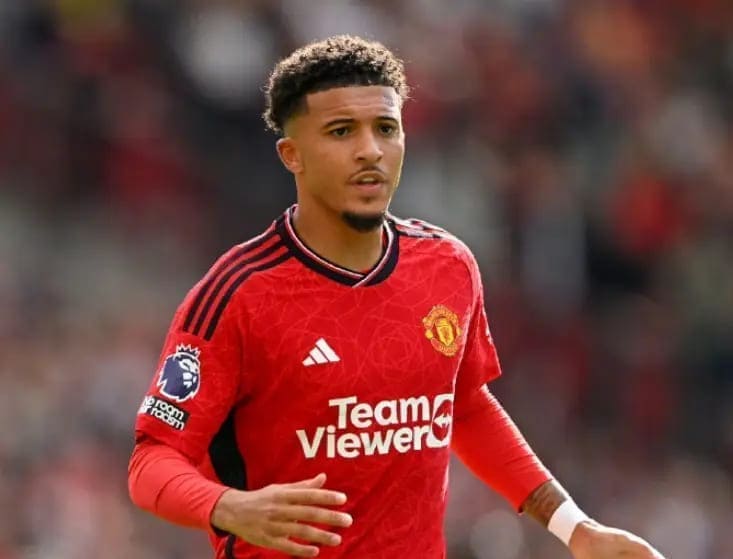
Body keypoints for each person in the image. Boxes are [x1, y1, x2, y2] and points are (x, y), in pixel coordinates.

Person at [128, 35, 664, 559]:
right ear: (292, 155)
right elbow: (151, 462)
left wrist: (575, 528)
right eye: (341, 131)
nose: (370, 150)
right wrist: (228, 506)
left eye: (386, 128)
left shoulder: (448, 266)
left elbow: (464, 405)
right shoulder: (238, 294)